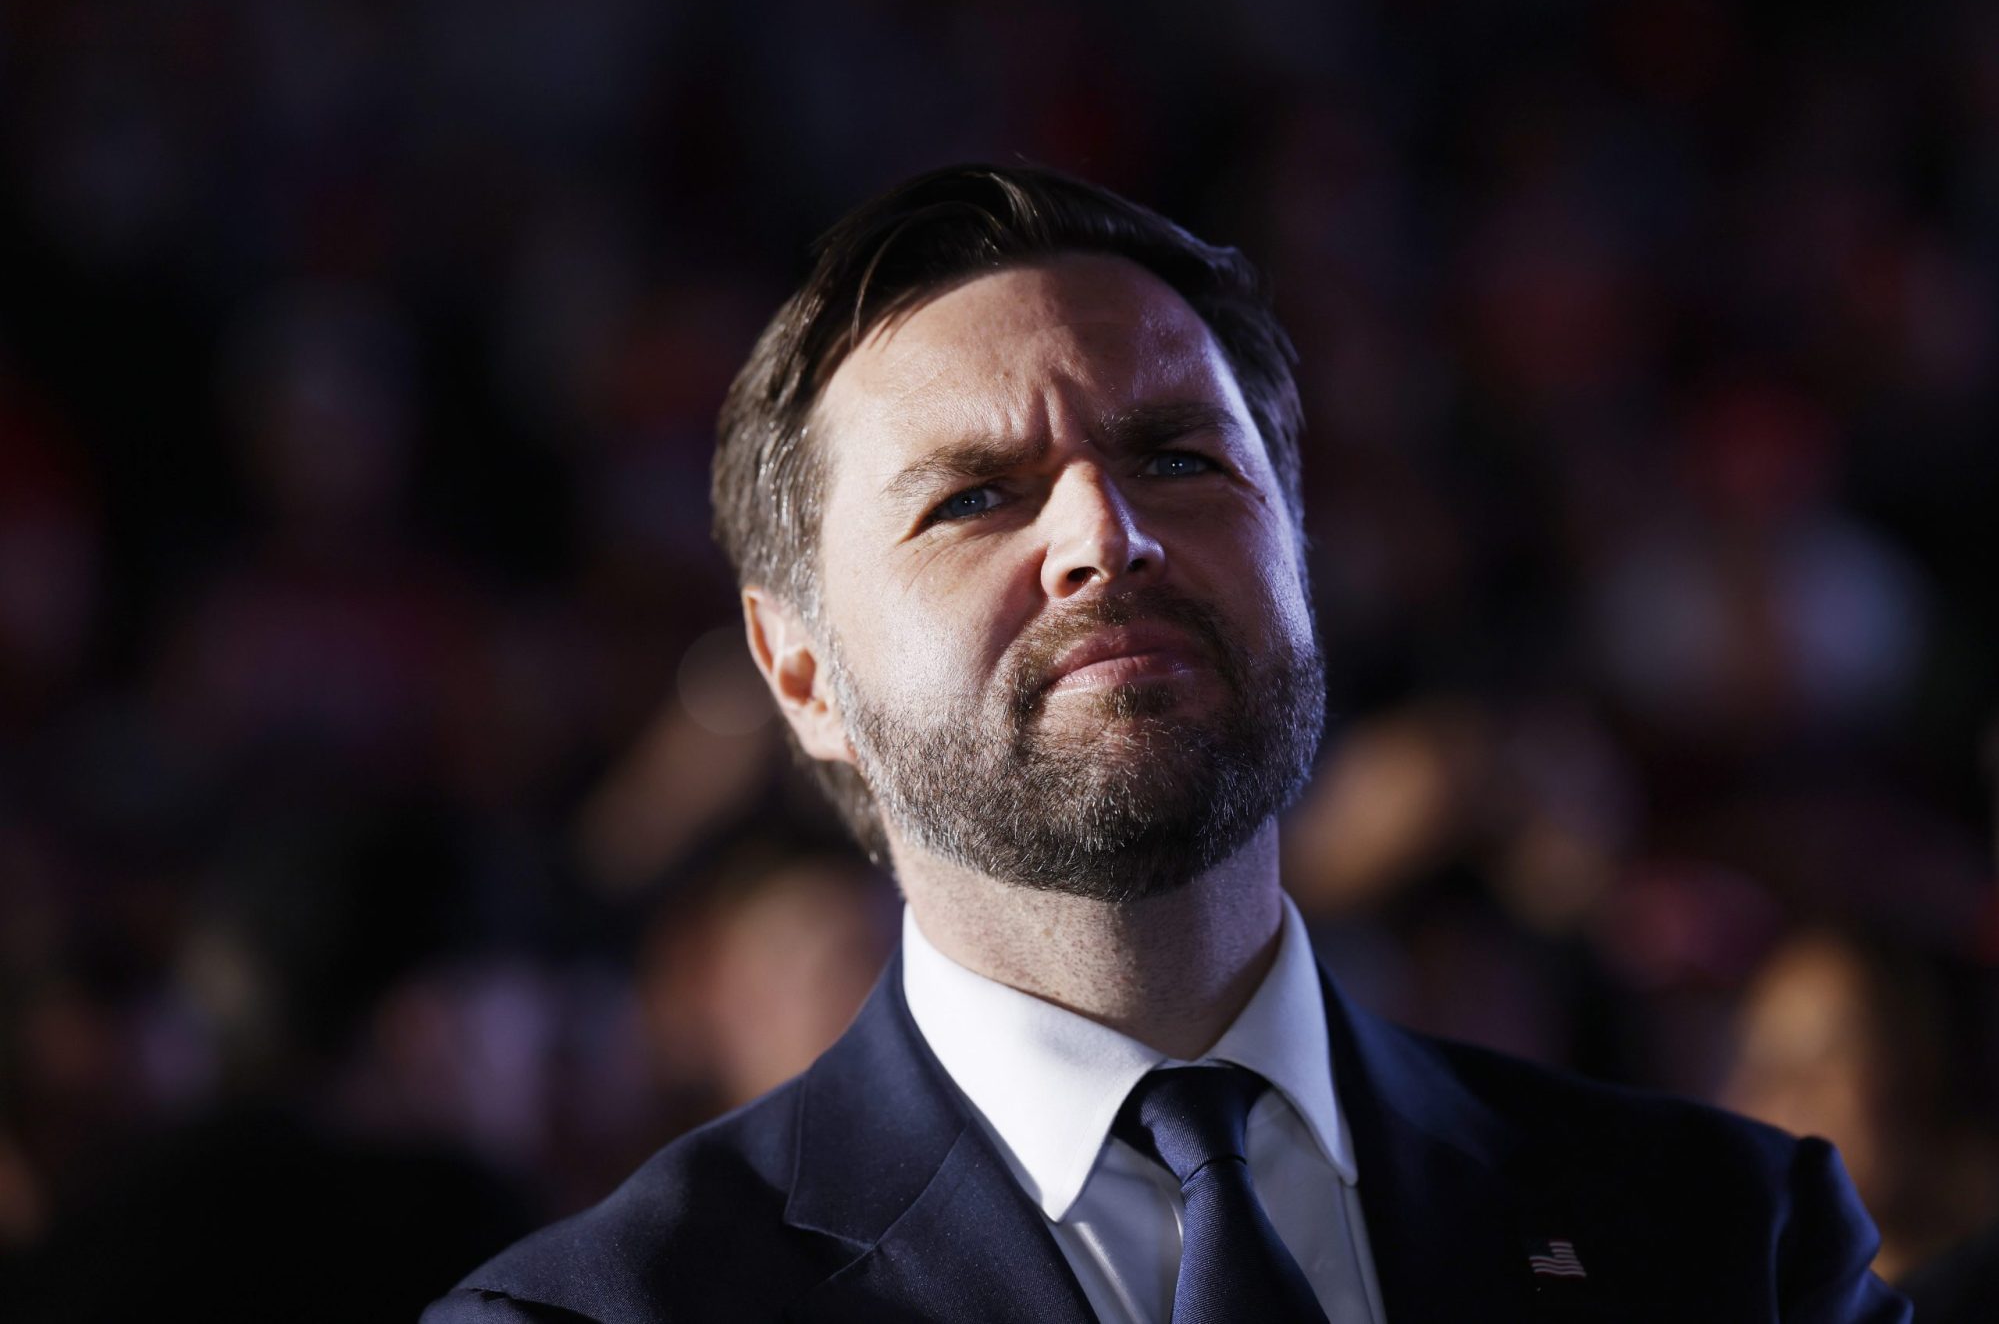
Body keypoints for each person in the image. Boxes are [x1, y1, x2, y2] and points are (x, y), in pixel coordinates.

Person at [424, 164, 1909, 1323]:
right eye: (973, 498)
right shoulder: (602, 1315)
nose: (1104, 535)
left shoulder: (1734, 1242)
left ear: (1301, 545)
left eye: (1180, 457)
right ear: (800, 668)